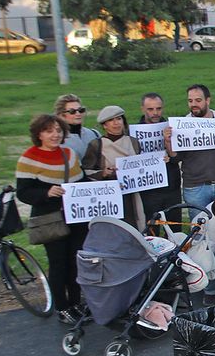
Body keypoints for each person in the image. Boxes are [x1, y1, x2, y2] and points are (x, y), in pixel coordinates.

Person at [16, 113, 86, 318]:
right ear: (39, 134)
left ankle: (75, 302)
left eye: (58, 130)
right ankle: (62, 307)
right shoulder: (28, 159)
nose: (55, 135)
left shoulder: (69, 155)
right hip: (50, 218)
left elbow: (81, 183)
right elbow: (23, 192)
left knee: (75, 261)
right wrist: (45, 193)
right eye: (49, 131)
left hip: (75, 217)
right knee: (58, 264)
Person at [165, 84, 215, 213]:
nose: (194, 104)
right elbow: (175, 157)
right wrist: (168, 141)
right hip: (195, 188)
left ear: (207, 100)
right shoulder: (182, 125)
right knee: (199, 229)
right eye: (190, 101)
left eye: (198, 100)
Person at [81, 105, 145, 229]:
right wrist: (103, 173)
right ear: (104, 125)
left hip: (131, 196)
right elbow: (86, 171)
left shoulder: (133, 142)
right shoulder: (97, 144)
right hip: (109, 198)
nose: (116, 123)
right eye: (111, 120)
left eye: (119, 119)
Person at [137, 93, 181, 223]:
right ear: (142, 109)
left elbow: (179, 157)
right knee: (152, 229)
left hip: (171, 187)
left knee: (174, 229)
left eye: (158, 108)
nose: (155, 113)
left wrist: (171, 156)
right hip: (148, 190)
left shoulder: (172, 128)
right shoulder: (134, 132)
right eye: (150, 109)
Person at [54, 94, 99, 161]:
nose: (78, 114)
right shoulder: (56, 139)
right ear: (61, 115)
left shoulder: (94, 134)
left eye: (81, 110)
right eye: (72, 111)